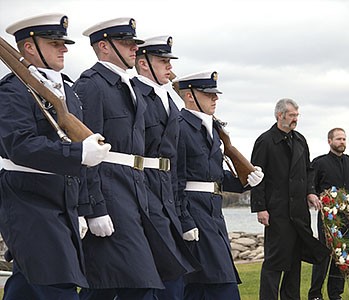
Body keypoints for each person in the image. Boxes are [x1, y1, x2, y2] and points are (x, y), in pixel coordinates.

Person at [0, 13, 111, 299]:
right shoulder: (12, 90)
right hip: (28, 201)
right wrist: (77, 152)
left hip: (63, 200)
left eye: (63, 43)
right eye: (54, 43)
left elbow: (81, 161)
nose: (64, 49)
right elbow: (19, 145)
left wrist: (87, 207)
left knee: (28, 286)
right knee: (58, 286)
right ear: (28, 48)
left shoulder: (68, 95)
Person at [73, 18, 167, 299]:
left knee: (115, 282)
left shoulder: (127, 87)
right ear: (103, 46)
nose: (134, 49)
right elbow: (85, 152)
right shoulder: (91, 85)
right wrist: (92, 207)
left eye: (135, 44)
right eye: (127, 43)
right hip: (109, 190)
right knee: (129, 281)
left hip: (134, 188)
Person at [172, 70, 264, 300]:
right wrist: (184, 220)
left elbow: (212, 174)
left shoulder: (212, 128)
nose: (215, 98)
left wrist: (244, 182)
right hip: (194, 211)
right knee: (220, 283)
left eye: (215, 94)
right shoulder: (180, 126)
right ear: (190, 96)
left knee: (200, 285)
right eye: (208, 93)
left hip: (212, 211)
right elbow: (176, 178)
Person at [133, 36, 200, 300]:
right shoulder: (134, 94)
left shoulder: (169, 102)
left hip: (165, 192)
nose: (170, 69)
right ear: (144, 64)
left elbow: (174, 162)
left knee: (170, 274)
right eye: (163, 62)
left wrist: (181, 213)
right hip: (140, 186)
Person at [250, 98, 331, 300]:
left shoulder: (300, 140)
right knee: (274, 263)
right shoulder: (265, 141)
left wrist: (311, 192)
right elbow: (256, 177)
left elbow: (308, 170)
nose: (296, 119)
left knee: (294, 263)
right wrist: (260, 208)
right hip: (277, 211)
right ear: (280, 115)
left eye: (297, 115)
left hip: (299, 213)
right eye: (292, 115)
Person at [308, 128, 349, 300]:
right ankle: (315, 294)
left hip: (347, 216)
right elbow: (311, 186)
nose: (342, 142)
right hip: (327, 217)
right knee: (324, 254)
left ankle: (336, 294)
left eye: (344, 139)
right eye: (338, 139)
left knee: (342, 253)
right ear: (329, 141)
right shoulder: (319, 162)